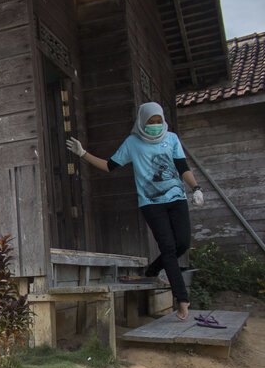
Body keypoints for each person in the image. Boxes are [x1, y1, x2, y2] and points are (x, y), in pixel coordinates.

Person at [66, 102, 203, 321]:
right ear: (142, 122)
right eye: (151, 122)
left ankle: (152, 271)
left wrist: (195, 188)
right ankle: (182, 300)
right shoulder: (132, 143)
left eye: (158, 121)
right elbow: (109, 166)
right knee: (168, 247)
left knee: (182, 244)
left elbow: (182, 167)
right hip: (151, 203)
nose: (155, 125)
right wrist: (83, 153)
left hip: (177, 199)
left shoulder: (172, 139)